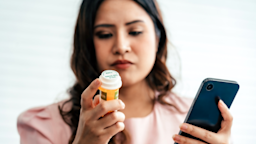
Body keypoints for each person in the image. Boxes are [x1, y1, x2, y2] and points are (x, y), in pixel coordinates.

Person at [17, 0, 234, 144]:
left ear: (158, 38)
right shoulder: (43, 126)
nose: (121, 46)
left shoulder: (190, 121)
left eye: (135, 31)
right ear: (88, 43)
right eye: (104, 34)